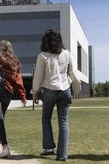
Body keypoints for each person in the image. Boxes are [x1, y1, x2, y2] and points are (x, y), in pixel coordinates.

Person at [32, 29, 74, 161]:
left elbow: (38, 77)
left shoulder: (43, 56)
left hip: (50, 89)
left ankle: (49, 147)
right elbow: (71, 72)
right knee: (63, 121)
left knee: (46, 118)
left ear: (46, 41)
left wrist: (35, 92)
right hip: (65, 89)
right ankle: (62, 154)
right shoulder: (67, 54)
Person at [0, 40, 27, 158]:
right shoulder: (15, 61)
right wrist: (22, 95)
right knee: (1, 118)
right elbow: (18, 80)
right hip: (8, 92)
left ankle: (5, 146)